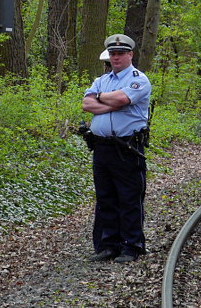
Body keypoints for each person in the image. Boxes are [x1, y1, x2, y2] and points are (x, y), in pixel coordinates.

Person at [82, 34, 152, 263]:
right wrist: (109, 103)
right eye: (113, 54)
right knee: (105, 197)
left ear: (130, 55)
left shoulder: (138, 79)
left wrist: (101, 99)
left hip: (127, 148)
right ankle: (107, 245)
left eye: (120, 53)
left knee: (129, 198)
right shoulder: (102, 79)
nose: (116, 57)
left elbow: (122, 98)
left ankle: (131, 246)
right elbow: (86, 104)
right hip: (102, 147)